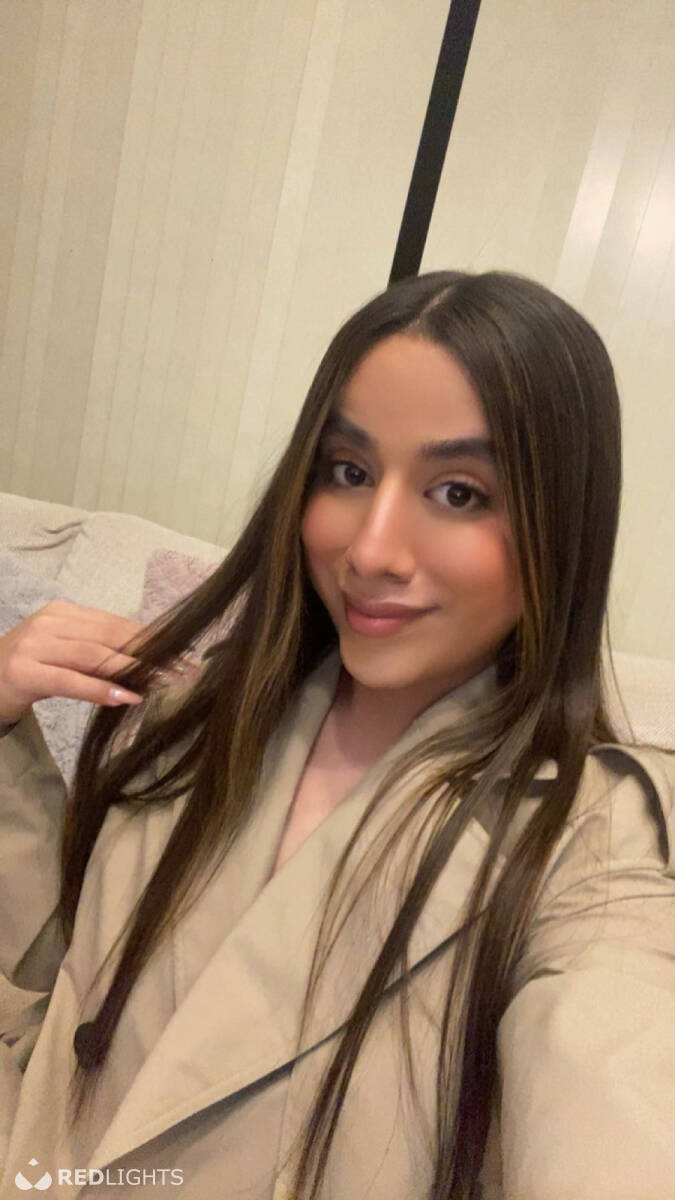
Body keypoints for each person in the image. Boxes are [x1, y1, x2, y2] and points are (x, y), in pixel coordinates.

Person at [0, 270, 673, 1200]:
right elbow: (47, 1015)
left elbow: (617, 1076)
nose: (370, 550)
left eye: (459, 492)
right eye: (349, 473)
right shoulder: (187, 720)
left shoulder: (587, 843)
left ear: (560, 526)